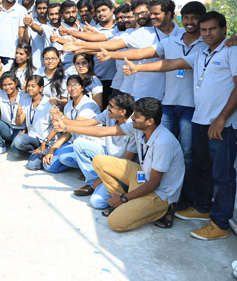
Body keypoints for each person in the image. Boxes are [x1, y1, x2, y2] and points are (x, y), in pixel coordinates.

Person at [122, 11, 237, 240]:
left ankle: (220, 224)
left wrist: (221, 119)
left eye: (212, 29)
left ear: (224, 30)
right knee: (201, 167)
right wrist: (138, 68)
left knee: (223, 174)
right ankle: (202, 207)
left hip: (222, 124)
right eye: (204, 29)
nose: (207, 34)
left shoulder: (234, 50)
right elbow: (170, 63)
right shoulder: (202, 53)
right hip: (200, 120)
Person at [97, 1, 208, 209]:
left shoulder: (207, 43)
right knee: (154, 149)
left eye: (195, 18)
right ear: (180, 17)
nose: (190, 22)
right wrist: (112, 55)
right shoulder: (173, 41)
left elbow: (171, 64)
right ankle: (152, 194)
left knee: (187, 154)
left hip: (192, 108)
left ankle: (182, 199)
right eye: (187, 17)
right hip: (168, 105)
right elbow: (142, 53)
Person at [59, 97, 184, 233]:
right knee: (99, 161)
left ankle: (165, 209)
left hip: (159, 193)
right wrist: (66, 127)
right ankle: (122, 200)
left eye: (136, 116)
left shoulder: (163, 143)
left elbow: (154, 183)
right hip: (142, 176)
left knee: (115, 222)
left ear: (150, 121)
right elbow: (102, 131)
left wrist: (124, 198)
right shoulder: (138, 127)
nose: (132, 117)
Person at [64, 0, 184, 101]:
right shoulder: (141, 33)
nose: (142, 17)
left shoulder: (183, 35)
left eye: (145, 13)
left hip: (176, 96)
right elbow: (113, 45)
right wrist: (81, 45)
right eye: (136, 14)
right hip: (144, 93)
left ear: (168, 14)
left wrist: (82, 47)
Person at [53, 94, 136, 208]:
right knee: (79, 143)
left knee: (97, 202)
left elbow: (126, 162)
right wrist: (63, 122)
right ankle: (92, 183)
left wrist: (102, 178)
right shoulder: (109, 113)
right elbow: (87, 123)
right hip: (107, 154)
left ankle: (114, 190)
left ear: (123, 112)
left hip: (120, 167)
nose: (107, 107)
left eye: (111, 106)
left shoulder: (132, 126)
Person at [36, 75, 101, 173]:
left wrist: (61, 117)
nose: (72, 88)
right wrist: (52, 150)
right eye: (69, 85)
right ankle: (78, 163)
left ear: (82, 87)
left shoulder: (89, 104)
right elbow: (67, 132)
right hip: (73, 142)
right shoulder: (68, 105)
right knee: (49, 166)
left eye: (76, 85)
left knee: (63, 157)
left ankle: (90, 167)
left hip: (88, 144)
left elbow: (77, 124)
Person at [11, 76, 57, 168]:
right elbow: (19, 123)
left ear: (41, 88)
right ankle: (36, 152)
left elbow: (56, 127)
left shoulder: (49, 103)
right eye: (28, 86)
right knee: (15, 149)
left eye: (33, 86)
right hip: (33, 137)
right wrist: (18, 115)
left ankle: (44, 152)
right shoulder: (27, 101)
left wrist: (45, 142)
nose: (29, 88)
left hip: (46, 140)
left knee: (32, 166)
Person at [0, 72, 26, 156]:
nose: (7, 87)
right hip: (7, 127)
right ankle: (1, 145)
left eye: (10, 84)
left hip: (19, 128)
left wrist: (25, 131)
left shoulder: (24, 95)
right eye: (4, 85)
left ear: (16, 82)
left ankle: (16, 143)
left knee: (16, 152)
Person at [23, 0, 50, 67]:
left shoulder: (52, 23)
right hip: (36, 63)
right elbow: (26, 42)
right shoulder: (31, 22)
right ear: (35, 9)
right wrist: (27, 26)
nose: (42, 11)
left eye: (44, 8)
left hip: (51, 63)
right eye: (39, 8)